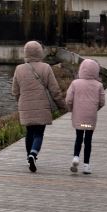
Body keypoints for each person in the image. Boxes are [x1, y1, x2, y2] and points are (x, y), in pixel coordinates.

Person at [11, 40, 66, 173]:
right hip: (42, 106)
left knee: (29, 132)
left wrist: (21, 103)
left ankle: (28, 156)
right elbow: (55, 90)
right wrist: (62, 106)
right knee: (39, 133)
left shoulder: (19, 69)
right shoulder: (46, 68)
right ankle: (33, 154)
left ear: (26, 53)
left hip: (25, 105)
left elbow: (15, 91)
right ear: (40, 52)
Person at [65, 57, 106, 175]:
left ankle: (76, 157)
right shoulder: (98, 85)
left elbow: (68, 100)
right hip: (90, 117)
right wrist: (95, 109)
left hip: (78, 116)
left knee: (79, 137)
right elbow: (102, 102)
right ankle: (86, 166)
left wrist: (71, 109)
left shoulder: (75, 83)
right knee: (88, 140)